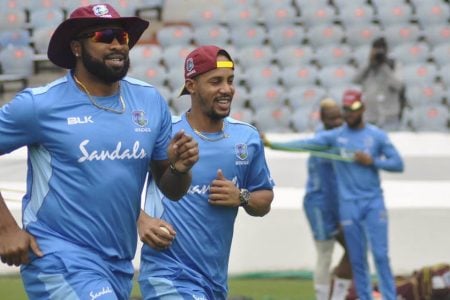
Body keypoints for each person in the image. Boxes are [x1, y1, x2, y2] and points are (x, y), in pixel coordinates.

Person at [0, 4, 199, 299]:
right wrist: (6, 229)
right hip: (58, 256)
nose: (117, 44)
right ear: (76, 48)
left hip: (119, 264)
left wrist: (180, 169)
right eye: (104, 36)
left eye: (123, 37)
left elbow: (171, 189)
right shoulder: (39, 105)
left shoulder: (149, 101)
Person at [137, 45, 275, 300]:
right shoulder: (164, 134)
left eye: (230, 81)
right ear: (191, 86)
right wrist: (141, 219)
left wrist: (241, 197)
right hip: (166, 274)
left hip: (214, 282)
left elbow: (264, 198)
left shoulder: (247, 138)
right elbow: (115, 185)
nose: (227, 89)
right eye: (215, 81)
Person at [264, 90, 404, 300]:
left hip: (373, 202)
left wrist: (373, 162)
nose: (348, 114)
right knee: (355, 258)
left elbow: (397, 163)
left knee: (380, 255)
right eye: (345, 110)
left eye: (353, 109)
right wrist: (273, 143)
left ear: (363, 108)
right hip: (345, 205)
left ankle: (388, 297)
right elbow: (305, 144)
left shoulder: (376, 135)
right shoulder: (335, 137)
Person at [302, 99, 352, 300]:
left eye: (339, 117)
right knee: (325, 253)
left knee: (355, 248)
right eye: (332, 118)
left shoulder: (340, 137)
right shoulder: (324, 140)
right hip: (320, 205)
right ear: (322, 119)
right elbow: (328, 184)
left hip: (335, 204)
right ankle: (323, 297)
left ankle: (338, 295)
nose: (337, 121)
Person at [353, 37, 406, 131]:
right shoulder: (367, 65)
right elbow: (355, 80)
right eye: (376, 49)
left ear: (386, 51)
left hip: (389, 116)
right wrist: (369, 64)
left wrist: (384, 68)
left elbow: (399, 86)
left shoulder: (394, 65)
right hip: (369, 114)